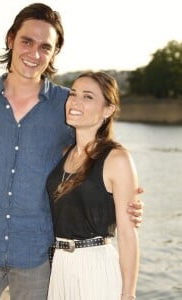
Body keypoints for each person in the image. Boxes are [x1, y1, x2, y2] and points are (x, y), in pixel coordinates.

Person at [0, 3, 143, 300]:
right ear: (11, 40)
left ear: (54, 53)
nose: (34, 54)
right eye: (27, 41)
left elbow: (101, 156)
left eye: (45, 47)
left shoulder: (69, 105)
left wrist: (126, 202)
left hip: (40, 260)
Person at [46, 71, 140, 300]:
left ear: (107, 110)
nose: (75, 102)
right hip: (59, 265)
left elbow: (128, 234)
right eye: (73, 94)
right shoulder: (65, 153)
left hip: (95, 267)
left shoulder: (117, 158)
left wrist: (128, 294)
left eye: (88, 97)